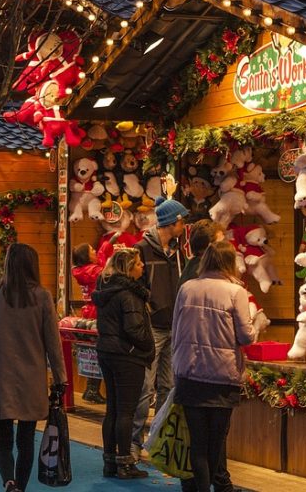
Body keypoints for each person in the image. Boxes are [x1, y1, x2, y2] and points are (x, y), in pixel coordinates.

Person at [0, 243, 67, 492]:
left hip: (1, 379)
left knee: (2, 439)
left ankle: (9, 482)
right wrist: (60, 378)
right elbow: (53, 343)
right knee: (26, 439)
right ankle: (21, 487)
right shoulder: (42, 296)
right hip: (33, 379)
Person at [172, 241, 255, 492]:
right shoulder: (235, 292)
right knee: (215, 443)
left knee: (197, 443)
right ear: (230, 263)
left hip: (190, 373)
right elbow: (246, 337)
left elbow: (175, 329)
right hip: (221, 376)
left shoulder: (186, 288)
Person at [131, 197, 189, 454]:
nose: (184, 224)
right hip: (152, 326)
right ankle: (133, 441)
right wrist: (150, 307)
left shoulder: (179, 252)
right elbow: (135, 284)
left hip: (174, 326)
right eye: (181, 220)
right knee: (145, 386)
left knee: (168, 386)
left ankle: (158, 441)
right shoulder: (142, 249)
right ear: (172, 222)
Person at [92, 247, 153, 479]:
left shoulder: (106, 289)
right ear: (128, 268)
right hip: (127, 356)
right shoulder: (130, 294)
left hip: (107, 352)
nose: (142, 267)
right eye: (138, 264)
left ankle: (110, 462)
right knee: (126, 411)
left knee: (113, 410)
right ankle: (125, 463)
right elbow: (134, 328)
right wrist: (148, 345)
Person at [71, 243, 106, 404]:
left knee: (91, 353)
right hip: (97, 313)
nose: (95, 251)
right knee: (98, 353)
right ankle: (92, 389)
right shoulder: (94, 271)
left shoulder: (80, 271)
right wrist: (105, 252)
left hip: (87, 312)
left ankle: (90, 389)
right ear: (86, 255)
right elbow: (106, 273)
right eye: (92, 250)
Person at [179, 220, 225, 288]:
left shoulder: (195, 266)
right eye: (221, 244)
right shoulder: (202, 275)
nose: (226, 248)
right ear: (209, 247)